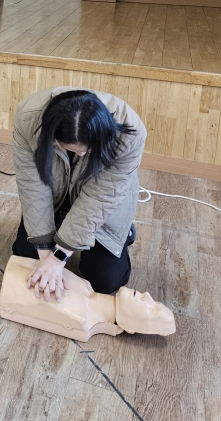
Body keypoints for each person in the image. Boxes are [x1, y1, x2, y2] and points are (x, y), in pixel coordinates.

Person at [12, 87, 146, 302]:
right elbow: (32, 184)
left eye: (86, 150)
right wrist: (46, 251)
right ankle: (60, 223)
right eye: (71, 149)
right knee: (25, 257)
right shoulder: (28, 118)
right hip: (57, 192)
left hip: (101, 199)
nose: (81, 154)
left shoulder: (130, 133)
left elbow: (101, 198)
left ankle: (125, 233)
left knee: (104, 281)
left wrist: (57, 260)